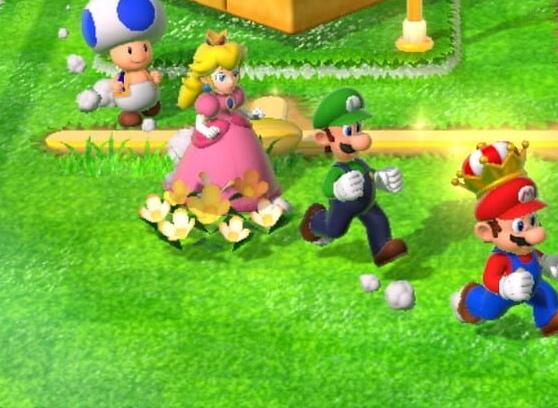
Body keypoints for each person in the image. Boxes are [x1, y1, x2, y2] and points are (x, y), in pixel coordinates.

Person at [450, 142, 558, 337]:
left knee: (547, 295)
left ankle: (550, 319)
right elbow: (490, 278)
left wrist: (547, 262)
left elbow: (537, 257)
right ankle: (467, 299)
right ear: (486, 232)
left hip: (533, 286)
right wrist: (505, 286)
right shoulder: (500, 258)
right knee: (490, 311)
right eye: (519, 225)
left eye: (532, 220)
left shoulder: (528, 250)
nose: (536, 232)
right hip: (505, 294)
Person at [164, 30, 285, 214]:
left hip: (239, 132)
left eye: (234, 73)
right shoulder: (209, 101)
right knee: (214, 167)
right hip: (215, 134)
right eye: (222, 76)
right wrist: (205, 131)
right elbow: (199, 120)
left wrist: (251, 114)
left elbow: (236, 108)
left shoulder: (235, 94)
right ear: (205, 79)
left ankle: (250, 194)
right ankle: (212, 197)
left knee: (248, 163)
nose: (231, 81)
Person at [299, 86, 407, 266]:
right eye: (348, 131)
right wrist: (339, 189)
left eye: (358, 128)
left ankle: (382, 249)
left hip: (367, 203)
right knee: (335, 230)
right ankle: (314, 220)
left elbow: (369, 175)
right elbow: (327, 188)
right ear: (323, 138)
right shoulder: (338, 169)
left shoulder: (360, 163)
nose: (360, 138)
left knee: (378, 221)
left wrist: (381, 179)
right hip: (344, 206)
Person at [77, 0, 164, 129]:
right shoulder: (123, 77)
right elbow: (116, 83)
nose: (139, 56)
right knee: (130, 109)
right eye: (130, 51)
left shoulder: (145, 72)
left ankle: (150, 106)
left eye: (144, 48)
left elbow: (152, 77)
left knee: (152, 103)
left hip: (150, 95)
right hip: (129, 99)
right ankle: (131, 113)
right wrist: (116, 86)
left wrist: (154, 77)